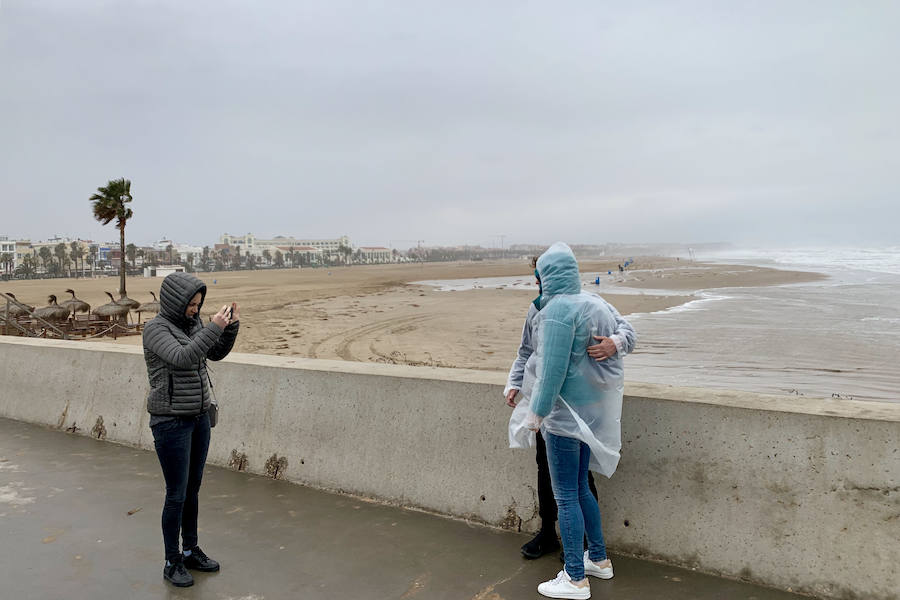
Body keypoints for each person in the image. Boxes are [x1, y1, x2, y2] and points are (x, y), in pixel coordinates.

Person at [509, 243, 633, 599]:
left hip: (563, 417)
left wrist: (535, 415)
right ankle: (599, 558)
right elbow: (528, 355)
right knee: (580, 489)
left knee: (566, 496)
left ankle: (575, 577)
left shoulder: (558, 310)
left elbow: (551, 372)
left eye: (538, 276)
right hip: (590, 413)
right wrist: (515, 383)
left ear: (546, 275)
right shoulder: (591, 303)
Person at [142, 272, 240, 588]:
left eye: (198, 305)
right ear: (175, 302)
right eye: (191, 305)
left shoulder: (192, 325)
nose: (195, 310)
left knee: (193, 490)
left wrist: (230, 327)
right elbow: (184, 358)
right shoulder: (155, 330)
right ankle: (172, 561)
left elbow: (213, 353)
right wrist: (213, 327)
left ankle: (190, 550)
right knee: (176, 494)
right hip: (171, 421)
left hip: (198, 417)